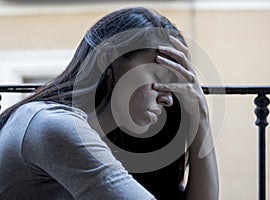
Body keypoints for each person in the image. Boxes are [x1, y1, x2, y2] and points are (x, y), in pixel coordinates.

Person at [0, 7, 218, 200]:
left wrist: (201, 119)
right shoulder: (53, 126)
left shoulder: (110, 143)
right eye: (159, 77)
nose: (168, 99)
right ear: (107, 58)